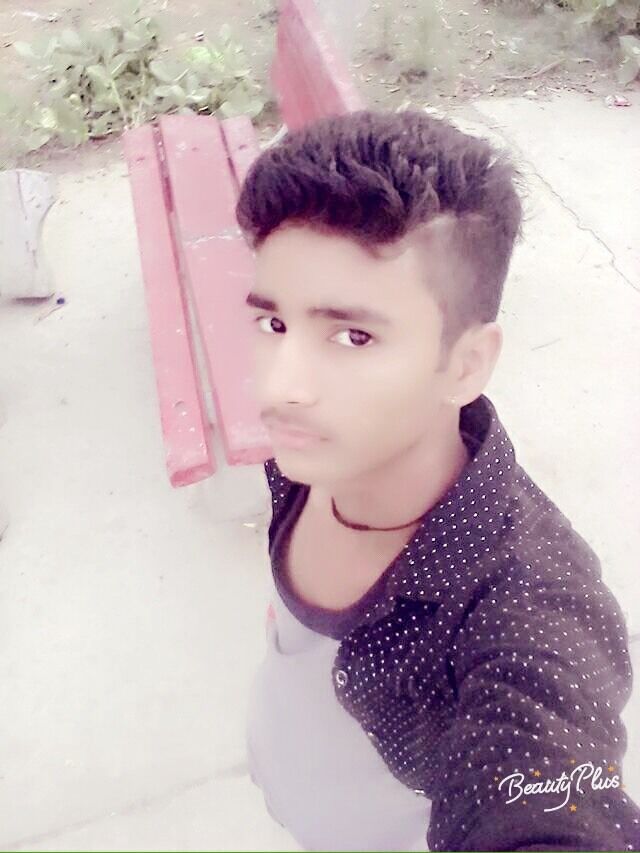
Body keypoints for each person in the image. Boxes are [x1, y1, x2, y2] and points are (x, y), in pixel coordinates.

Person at [235, 108, 640, 851]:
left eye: (353, 336)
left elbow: (551, 804)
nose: (280, 387)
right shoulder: (316, 451)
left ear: (465, 363)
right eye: (274, 325)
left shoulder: (526, 618)